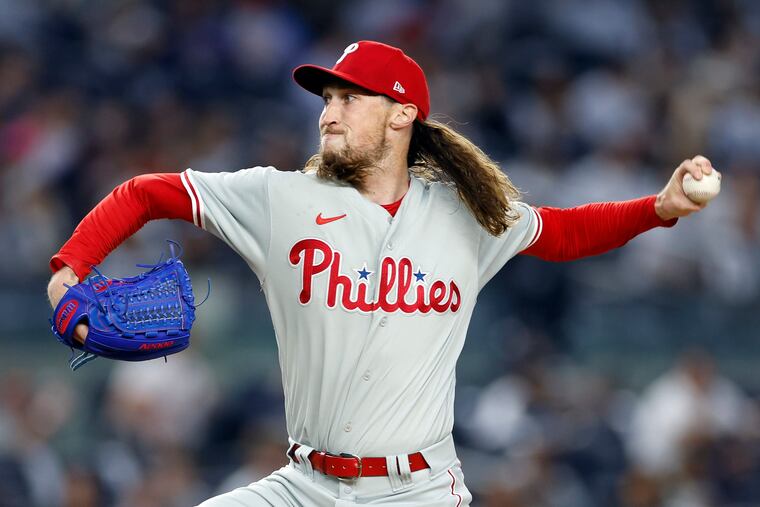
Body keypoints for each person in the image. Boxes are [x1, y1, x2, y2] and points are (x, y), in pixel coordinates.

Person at [46, 40, 716, 506]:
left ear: (402, 114)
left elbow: (564, 231)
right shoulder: (282, 199)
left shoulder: (466, 213)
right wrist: (69, 268)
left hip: (418, 490)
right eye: (326, 98)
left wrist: (658, 209)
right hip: (304, 484)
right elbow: (146, 192)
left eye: (348, 97)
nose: (328, 111)